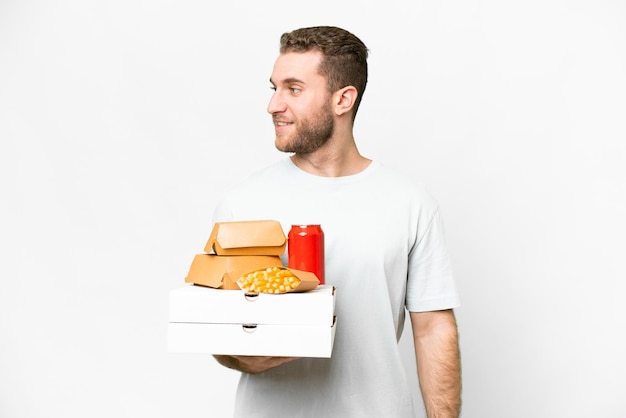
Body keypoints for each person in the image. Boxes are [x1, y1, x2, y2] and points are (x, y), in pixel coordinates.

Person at [212, 26, 461, 418]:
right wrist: (243, 358)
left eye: (293, 89)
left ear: (343, 99)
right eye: (274, 87)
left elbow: (433, 329)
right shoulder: (243, 202)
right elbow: (218, 331)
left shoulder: (410, 203)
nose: (273, 104)